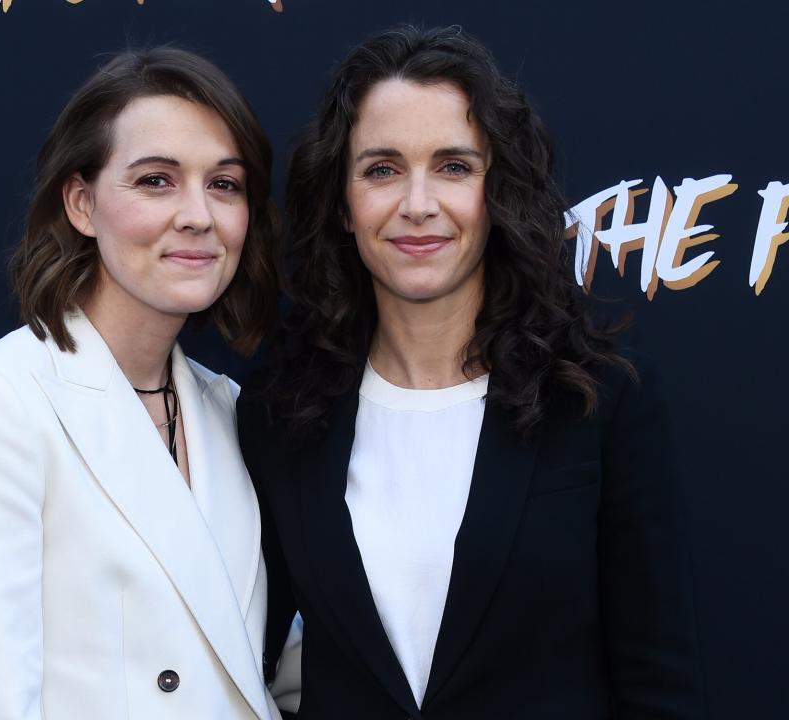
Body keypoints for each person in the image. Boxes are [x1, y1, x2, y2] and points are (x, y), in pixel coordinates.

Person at [237, 26, 706, 720]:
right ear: (342, 204)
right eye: (382, 169)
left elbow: (658, 681)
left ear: (497, 193)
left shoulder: (598, 400)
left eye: (454, 167)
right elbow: (242, 660)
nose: (417, 203)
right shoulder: (281, 413)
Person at [0, 47, 283, 720]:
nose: (198, 214)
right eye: (156, 181)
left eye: (224, 184)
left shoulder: (229, 408)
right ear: (81, 203)